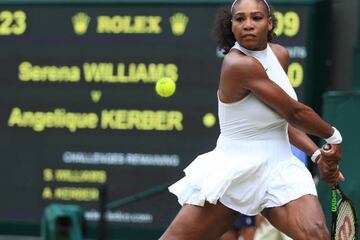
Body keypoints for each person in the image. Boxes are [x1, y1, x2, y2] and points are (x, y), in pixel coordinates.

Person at [160, 0, 344, 239]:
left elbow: (279, 120)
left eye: (256, 18)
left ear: (269, 23)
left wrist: (317, 154)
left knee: (317, 235)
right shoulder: (237, 64)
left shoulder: (280, 55)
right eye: (240, 19)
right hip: (236, 169)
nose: (248, 25)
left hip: (280, 167)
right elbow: (294, 113)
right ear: (232, 26)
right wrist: (334, 137)